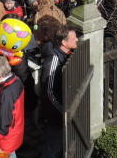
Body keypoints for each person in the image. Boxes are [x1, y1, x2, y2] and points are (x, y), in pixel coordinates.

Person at [39, 24, 77, 158]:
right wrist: (62, 111)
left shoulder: (67, 54)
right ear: (64, 42)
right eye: (74, 38)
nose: (77, 40)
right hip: (55, 115)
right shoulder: (53, 61)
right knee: (53, 147)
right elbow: (49, 92)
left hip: (62, 108)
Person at [0, 55, 25, 156]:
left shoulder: (6, 92)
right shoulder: (16, 80)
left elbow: (4, 120)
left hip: (5, 138)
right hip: (14, 132)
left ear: (0, 75)